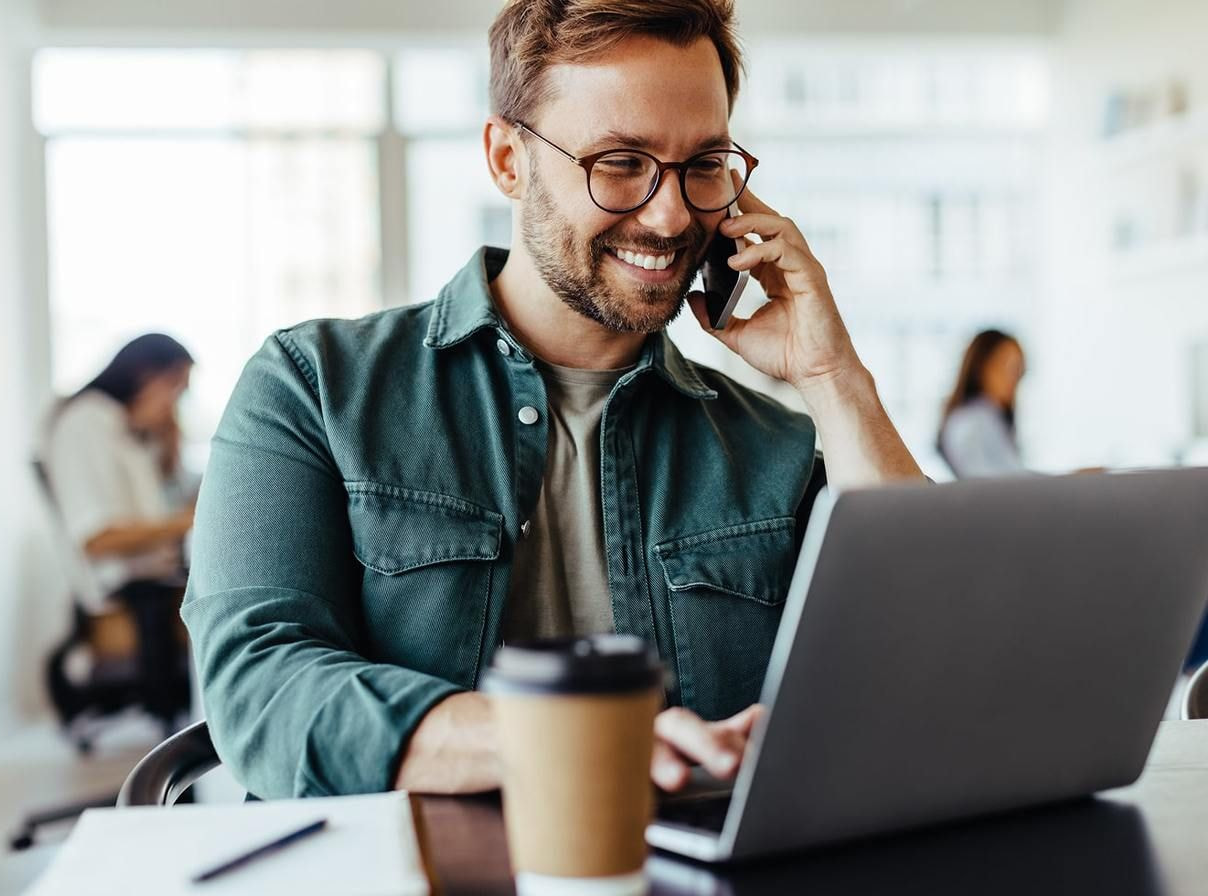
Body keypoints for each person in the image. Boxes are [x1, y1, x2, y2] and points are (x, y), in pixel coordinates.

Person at [183, 0, 925, 801]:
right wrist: (572, 737)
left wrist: (831, 376)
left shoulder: (771, 448)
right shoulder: (314, 387)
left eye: (705, 163)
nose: (672, 214)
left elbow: (933, 657)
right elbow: (262, 686)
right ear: (508, 158)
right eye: (620, 161)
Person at [43, 332, 197, 723]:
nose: (174, 404)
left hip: (151, 578)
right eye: (174, 388)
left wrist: (169, 448)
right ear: (145, 374)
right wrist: (183, 522)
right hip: (128, 590)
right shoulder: (86, 423)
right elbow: (97, 538)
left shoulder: (125, 431)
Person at [937, 329, 1029, 479]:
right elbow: (999, 483)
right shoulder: (971, 421)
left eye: (1018, 369)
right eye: (1006, 366)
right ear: (980, 366)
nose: (1014, 377)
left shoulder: (991, 418)